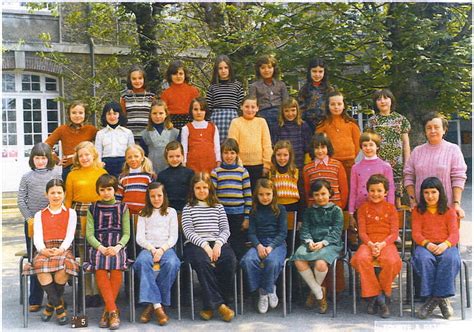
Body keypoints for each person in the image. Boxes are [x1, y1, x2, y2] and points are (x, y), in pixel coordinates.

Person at [182, 172, 237, 322]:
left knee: (229, 260)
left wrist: (218, 244)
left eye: (205, 187)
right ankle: (221, 306)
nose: (201, 190)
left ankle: (209, 305)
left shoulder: (218, 207)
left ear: (210, 188)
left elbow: (225, 229)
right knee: (203, 263)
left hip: (218, 242)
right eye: (198, 187)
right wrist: (206, 246)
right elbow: (188, 231)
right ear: (193, 189)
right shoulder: (188, 208)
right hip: (196, 244)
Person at [27, 179, 78, 325]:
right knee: (41, 268)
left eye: (59, 192)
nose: (56, 196)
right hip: (44, 249)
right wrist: (43, 250)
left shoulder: (71, 213)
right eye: (52, 193)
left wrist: (61, 249)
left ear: (64, 194)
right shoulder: (39, 215)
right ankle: (59, 307)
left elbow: (70, 235)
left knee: (65, 266)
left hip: (63, 248)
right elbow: (37, 237)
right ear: (46, 194)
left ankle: (51, 305)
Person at [350, 174, 402, 318]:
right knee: (360, 258)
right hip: (368, 243)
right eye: (372, 190)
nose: (375, 194)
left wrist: (382, 244)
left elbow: (394, 233)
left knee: (392, 261)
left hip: (387, 243)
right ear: (367, 191)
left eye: (379, 191)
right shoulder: (362, 209)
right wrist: (371, 244)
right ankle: (380, 297)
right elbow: (362, 232)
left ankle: (376, 296)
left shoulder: (391, 209)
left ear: (385, 192)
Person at [18, 143, 61, 312]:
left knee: (54, 257)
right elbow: (21, 200)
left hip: (54, 222)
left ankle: (56, 297)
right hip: (33, 224)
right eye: (37, 158)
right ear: (32, 159)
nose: (41, 161)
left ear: (48, 158)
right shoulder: (27, 177)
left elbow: (61, 196)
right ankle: (35, 298)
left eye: (44, 158)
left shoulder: (56, 173)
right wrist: (29, 219)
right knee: (36, 259)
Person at [411, 177, 461, 320]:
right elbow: (416, 234)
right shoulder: (418, 211)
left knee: (450, 259)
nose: (430, 196)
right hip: (425, 246)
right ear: (422, 194)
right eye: (426, 193)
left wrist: (445, 244)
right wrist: (428, 244)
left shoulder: (449, 211)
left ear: (440, 193)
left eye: (433, 192)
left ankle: (434, 299)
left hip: (446, 245)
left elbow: (454, 234)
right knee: (423, 259)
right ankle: (441, 299)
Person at [64, 141, 107, 307]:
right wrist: (66, 217)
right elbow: (68, 199)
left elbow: (107, 193)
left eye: (87, 154)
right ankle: (87, 292)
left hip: (99, 212)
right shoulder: (72, 174)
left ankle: (99, 291)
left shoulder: (101, 172)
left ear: (94, 155)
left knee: (98, 251)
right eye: (80, 155)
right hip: (79, 212)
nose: (84, 158)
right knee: (84, 254)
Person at [291, 179, 343, 314]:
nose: (320, 197)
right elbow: (305, 229)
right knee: (298, 259)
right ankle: (319, 293)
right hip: (312, 242)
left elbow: (336, 231)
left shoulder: (336, 210)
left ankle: (313, 293)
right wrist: (309, 241)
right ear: (312, 196)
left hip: (329, 244)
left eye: (323, 193)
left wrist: (323, 243)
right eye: (316, 195)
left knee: (320, 264)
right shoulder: (309, 211)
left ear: (329, 193)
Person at [85, 174, 130, 329]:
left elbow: (127, 233)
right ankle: (113, 310)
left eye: (109, 189)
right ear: (98, 191)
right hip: (99, 246)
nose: (106, 193)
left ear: (115, 190)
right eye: (102, 190)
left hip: (117, 244)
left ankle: (106, 312)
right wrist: (101, 248)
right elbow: (89, 234)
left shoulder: (123, 207)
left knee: (117, 265)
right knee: (100, 266)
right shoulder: (93, 208)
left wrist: (118, 246)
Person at [404, 111, 467, 219]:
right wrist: (413, 201)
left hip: (446, 209)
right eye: (429, 128)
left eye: (436, 127)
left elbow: (458, 177)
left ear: (444, 129)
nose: (432, 131)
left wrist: (456, 204)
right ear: (425, 131)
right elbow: (408, 176)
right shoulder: (417, 151)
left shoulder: (453, 150)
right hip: (422, 209)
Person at [134, 182, 180, 326]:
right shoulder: (143, 213)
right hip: (148, 249)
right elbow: (139, 237)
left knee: (173, 263)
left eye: (159, 195)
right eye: (152, 196)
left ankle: (151, 305)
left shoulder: (171, 212)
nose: (156, 199)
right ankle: (158, 307)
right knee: (141, 263)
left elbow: (174, 237)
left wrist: (161, 250)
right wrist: (153, 249)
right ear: (148, 197)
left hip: (166, 249)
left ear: (164, 196)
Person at [240, 178, 287, 314]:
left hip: (276, 244)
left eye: (268, 194)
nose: (265, 197)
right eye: (261, 194)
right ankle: (266, 289)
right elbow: (252, 233)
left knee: (271, 261)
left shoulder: (280, 210)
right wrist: (259, 246)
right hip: (258, 243)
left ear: (273, 194)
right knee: (248, 261)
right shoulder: (253, 211)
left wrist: (271, 246)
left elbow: (283, 233)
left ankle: (266, 290)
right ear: (256, 195)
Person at [366, 89, 411, 207]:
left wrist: (407, 162)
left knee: (397, 190)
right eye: (379, 99)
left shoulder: (401, 120)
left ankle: (397, 208)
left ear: (391, 100)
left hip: (397, 161)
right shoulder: (372, 121)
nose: (382, 101)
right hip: (378, 161)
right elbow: (368, 143)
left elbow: (406, 143)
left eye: (385, 98)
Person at [211, 138, 252, 260]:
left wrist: (246, 218)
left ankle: (239, 278)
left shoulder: (243, 172)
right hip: (222, 216)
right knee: (224, 248)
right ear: (221, 154)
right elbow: (213, 197)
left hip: (238, 216)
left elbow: (248, 197)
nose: (229, 156)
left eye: (232, 153)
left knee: (238, 247)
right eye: (226, 153)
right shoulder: (216, 172)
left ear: (237, 154)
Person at [348, 131, 395, 228]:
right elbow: (353, 191)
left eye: (371, 145)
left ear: (377, 146)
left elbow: (390, 190)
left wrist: (391, 209)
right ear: (361, 147)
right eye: (365, 145)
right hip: (361, 209)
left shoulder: (385, 166)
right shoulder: (356, 168)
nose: (368, 148)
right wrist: (351, 213)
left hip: (381, 209)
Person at [228, 96, 273, 191]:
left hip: (259, 166)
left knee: (259, 193)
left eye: (253, 107)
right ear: (241, 107)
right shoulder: (236, 122)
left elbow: (267, 145)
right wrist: (238, 165)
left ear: (257, 108)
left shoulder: (261, 122)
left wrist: (267, 165)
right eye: (247, 106)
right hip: (241, 166)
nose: (250, 110)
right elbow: (232, 146)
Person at [45, 101, 97, 181]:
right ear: (69, 114)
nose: (77, 115)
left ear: (85, 114)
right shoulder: (62, 129)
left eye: (80, 113)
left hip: (87, 166)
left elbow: (103, 142)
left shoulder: (91, 130)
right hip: (69, 167)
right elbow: (46, 145)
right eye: (74, 113)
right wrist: (56, 160)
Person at [316, 89, 360, 182]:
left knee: (349, 188)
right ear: (328, 106)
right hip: (331, 162)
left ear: (344, 105)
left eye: (339, 104)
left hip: (350, 163)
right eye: (333, 104)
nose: (336, 107)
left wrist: (353, 159)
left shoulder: (351, 123)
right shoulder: (323, 124)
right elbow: (318, 143)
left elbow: (357, 145)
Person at [249, 54, 289, 139]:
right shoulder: (254, 86)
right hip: (263, 116)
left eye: (269, 67)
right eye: (263, 68)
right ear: (258, 69)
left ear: (274, 69)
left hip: (279, 116)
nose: (266, 70)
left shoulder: (281, 85)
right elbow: (252, 104)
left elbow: (286, 103)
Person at [303, 133, 348, 209]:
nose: (320, 151)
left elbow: (344, 189)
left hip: (335, 208)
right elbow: (307, 191)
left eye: (323, 147)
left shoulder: (337, 165)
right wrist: (310, 205)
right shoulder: (307, 168)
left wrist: (340, 206)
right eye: (317, 148)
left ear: (328, 148)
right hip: (315, 209)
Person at [206, 55, 244, 143]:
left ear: (230, 68)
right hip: (216, 120)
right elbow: (208, 108)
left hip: (233, 119)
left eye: (226, 67)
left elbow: (241, 106)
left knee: (232, 146)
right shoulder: (212, 87)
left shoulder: (237, 85)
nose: (223, 71)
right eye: (220, 68)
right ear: (216, 70)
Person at [95, 101, 134, 178]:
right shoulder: (100, 133)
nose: (112, 117)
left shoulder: (127, 132)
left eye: (115, 114)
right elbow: (98, 152)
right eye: (109, 114)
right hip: (106, 164)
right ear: (105, 116)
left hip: (123, 163)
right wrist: (99, 164)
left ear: (119, 115)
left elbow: (131, 150)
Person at [181, 97, 221, 173]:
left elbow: (217, 147)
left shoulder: (213, 127)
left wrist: (218, 161)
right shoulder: (186, 128)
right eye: (195, 109)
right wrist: (184, 163)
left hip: (210, 164)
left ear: (206, 111)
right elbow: (184, 148)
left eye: (202, 109)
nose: (199, 112)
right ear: (191, 111)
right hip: (192, 165)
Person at [139, 99, 179, 174]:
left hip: (171, 170)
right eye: (154, 113)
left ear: (166, 114)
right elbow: (144, 154)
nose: (157, 116)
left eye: (161, 113)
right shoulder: (145, 134)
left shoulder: (175, 132)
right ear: (150, 115)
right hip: (152, 169)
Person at [115, 144, 155, 216]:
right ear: (126, 160)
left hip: (144, 213)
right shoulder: (122, 177)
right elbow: (118, 197)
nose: (133, 159)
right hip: (126, 214)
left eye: (136, 156)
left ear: (142, 157)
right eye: (129, 157)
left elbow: (152, 195)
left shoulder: (148, 176)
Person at [273, 98, 312, 170]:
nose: (290, 114)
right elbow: (274, 147)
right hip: (282, 165)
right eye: (286, 111)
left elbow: (308, 147)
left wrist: (306, 165)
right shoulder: (278, 127)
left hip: (300, 164)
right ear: (282, 112)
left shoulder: (303, 126)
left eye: (293, 110)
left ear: (297, 110)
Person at [160, 60, 200, 130]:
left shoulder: (193, 91)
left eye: (181, 73)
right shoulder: (165, 93)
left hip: (190, 122)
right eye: (175, 74)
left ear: (185, 75)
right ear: (170, 75)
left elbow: (198, 109)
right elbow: (163, 112)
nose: (178, 76)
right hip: (171, 123)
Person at [157, 141, 195, 213]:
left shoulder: (190, 173)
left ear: (183, 156)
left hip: (187, 210)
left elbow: (193, 193)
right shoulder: (162, 175)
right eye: (171, 156)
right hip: (168, 210)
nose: (174, 159)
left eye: (178, 156)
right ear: (166, 157)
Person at [120, 65, 155, 140]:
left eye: (140, 78)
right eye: (134, 79)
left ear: (144, 79)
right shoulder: (125, 97)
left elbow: (154, 118)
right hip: (131, 137)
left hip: (147, 137)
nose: (137, 81)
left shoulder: (151, 97)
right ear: (130, 80)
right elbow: (123, 118)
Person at [298, 58, 331, 132]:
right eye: (314, 71)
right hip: (308, 126)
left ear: (324, 72)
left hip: (326, 125)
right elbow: (300, 110)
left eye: (320, 72)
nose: (317, 74)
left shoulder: (329, 90)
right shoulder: (304, 89)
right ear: (309, 72)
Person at [270, 140, 301, 212]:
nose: (282, 158)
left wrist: (300, 219)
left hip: (293, 207)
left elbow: (301, 196)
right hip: (276, 207)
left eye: (285, 155)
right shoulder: (271, 173)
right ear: (274, 155)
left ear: (290, 156)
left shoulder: (295, 172)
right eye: (279, 155)